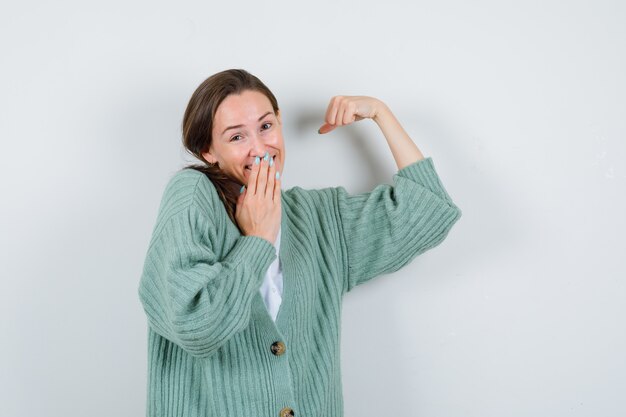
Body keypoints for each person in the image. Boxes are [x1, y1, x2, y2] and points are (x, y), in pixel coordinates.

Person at [137, 69, 462, 417]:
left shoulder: (318, 219)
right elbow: (195, 324)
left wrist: (380, 113)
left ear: (279, 121)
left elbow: (429, 209)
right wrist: (258, 239)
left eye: (265, 126)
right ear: (208, 151)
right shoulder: (192, 196)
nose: (260, 148)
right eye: (236, 137)